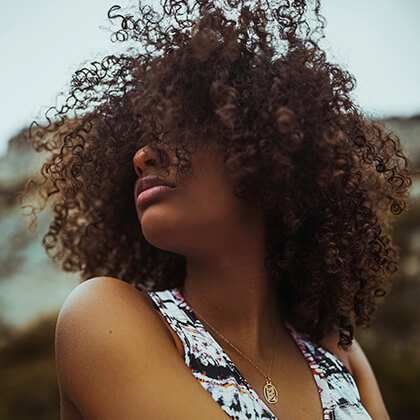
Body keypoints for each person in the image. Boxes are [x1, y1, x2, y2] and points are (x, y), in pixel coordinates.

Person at [20, 0, 413, 419]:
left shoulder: (338, 354)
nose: (141, 156)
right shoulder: (104, 316)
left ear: (267, 153)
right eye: (141, 139)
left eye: (181, 130)